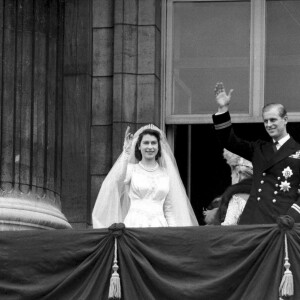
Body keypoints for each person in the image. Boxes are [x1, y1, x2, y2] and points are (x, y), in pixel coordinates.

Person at [212, 82, 300, 224]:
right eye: (265, 121)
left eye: (273, 120)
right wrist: (223, 109)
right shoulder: (259, 149)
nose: (269, 125)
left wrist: (291, 218)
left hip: (281, 222)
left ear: (285, 120)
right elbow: (229, 141)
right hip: (253, 220)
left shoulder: (298, 151)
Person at [92, 124, 198, 228]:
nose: (150, 147)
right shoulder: (131, 169)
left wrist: (172, 233)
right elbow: (117, 181)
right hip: (134, 226)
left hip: (159, 226)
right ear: (139, 146)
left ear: (158, 146)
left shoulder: (166, 174)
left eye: (153, 143)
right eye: (146, 143)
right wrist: (126, 152)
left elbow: (169, 208)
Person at [204, 149, 253, 225]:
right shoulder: (264, 192)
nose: (231, 175)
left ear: (237, 173)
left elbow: (228, 228)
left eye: (232, 170)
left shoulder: (237, 198)